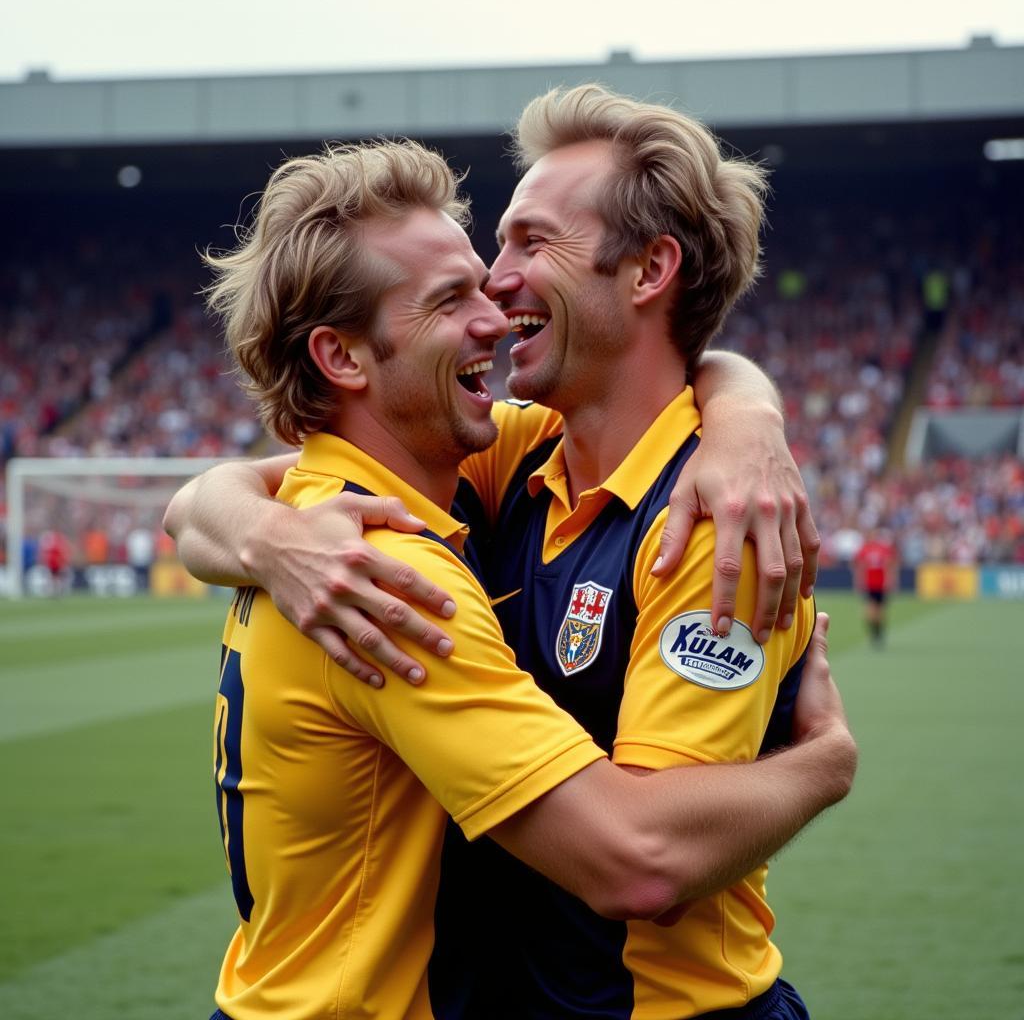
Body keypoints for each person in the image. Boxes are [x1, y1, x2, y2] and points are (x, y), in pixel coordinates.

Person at [173, 133, 856, 1020]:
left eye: (531, 242)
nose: (497, 291)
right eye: (454, 291)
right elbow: (193, 506)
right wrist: (823, 764)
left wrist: (746, 412)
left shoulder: (710, 522)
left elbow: (650, 864)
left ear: (652, 270)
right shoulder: (378, 555)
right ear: (343, 358)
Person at [853, 527, 899, 646]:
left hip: (881, 584)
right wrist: (859, 581)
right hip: (869, 584)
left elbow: (890, 566)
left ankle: (879, 632)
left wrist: (891, 580)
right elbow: (860, 567)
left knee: (881, 610)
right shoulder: (864, 549)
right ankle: (874, 633)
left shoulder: (883, 549)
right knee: (870, 610)